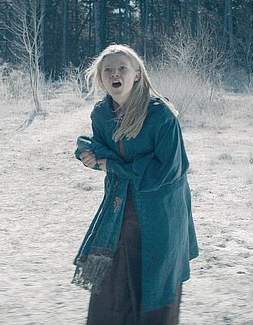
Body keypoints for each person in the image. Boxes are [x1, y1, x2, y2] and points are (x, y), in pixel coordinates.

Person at [73, 44, 199, 324]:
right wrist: (88, 156)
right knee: (111, 292)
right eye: (108, 70)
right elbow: (105, 154)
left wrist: (113, 165)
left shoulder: (160, 115)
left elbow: (168, 170)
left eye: (122, 68)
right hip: (119, 212)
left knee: (155, 291)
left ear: (137, 74)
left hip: (161, 214)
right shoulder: (101, 114)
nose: (115, 74)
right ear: (101, 78)